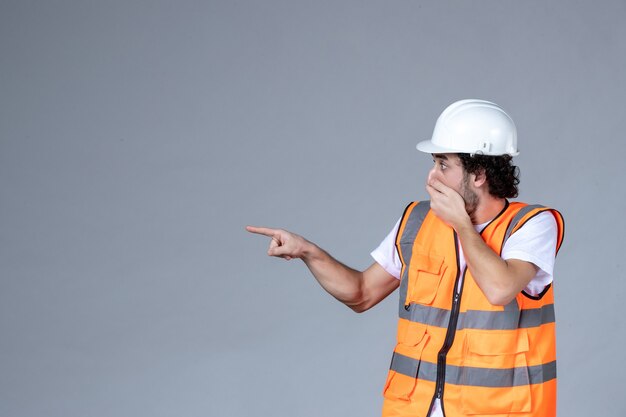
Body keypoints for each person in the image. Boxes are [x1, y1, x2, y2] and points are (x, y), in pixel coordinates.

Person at [247, 99, 564, 417]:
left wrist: (461, 225)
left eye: (443, 164)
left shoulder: (532, 224)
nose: (431, 176)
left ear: (478, 173)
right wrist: (307, 251)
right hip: (415, 408)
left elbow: (500, 289)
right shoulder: (416, 220)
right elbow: (361, 293)